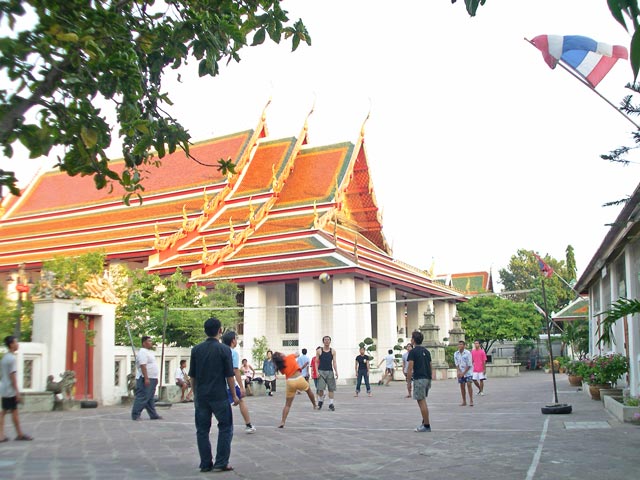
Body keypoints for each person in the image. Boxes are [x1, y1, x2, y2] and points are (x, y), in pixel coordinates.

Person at [189, 317, 238, 473]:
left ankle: (205, 463)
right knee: (225, 427)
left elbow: (193, 376)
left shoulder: (196, 350)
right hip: (219, 395)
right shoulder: (224, 350)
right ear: (220, 331)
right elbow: (229, 375)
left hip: (202, 395)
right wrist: (234, 395)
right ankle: (221, 461)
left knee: (202, 430)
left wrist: (195, 393)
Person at [221, 331, 256, 433]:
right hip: (229, 383)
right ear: (233, 341)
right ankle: (248, 425)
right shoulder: (233, 353)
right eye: (236, 339)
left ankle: (209, 427)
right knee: (241, 400)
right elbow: (235, 370)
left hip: (218, 383)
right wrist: (241, 386)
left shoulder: (219, 350)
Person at [0, 336, 33, 442]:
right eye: (15, 342)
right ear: (11, 345)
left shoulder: (5, 358)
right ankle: (18, 434)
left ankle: (4, 435)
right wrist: (17, 391)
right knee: (13, 411)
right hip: (10, 389)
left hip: (4, 387)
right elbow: (12, 376)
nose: (17, 344)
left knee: (4, 412)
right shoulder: (12, 359)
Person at [272, 352, 316, 428]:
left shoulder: (280, 366)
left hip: (290, 382)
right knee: (309, 391)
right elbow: (297, 354)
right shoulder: (289, 356)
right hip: (299, 379)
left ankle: (283, 422)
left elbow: (283, 372)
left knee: (287, 404)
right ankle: (315, 405)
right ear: (281, 355)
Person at [131, 336, 162, 421]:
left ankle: (153, 414)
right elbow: (143, 365)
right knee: (143, 396)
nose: (151, 342)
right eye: (149, 341)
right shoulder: (142, 352)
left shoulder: (150, 352)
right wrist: (146, 378)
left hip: (153, 377)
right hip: (145, 377)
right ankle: (136, 414)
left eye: (151, 341)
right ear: (144, 343)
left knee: (150, 397)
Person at [406, 330, 432, 432]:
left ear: (413, 340)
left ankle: (426, 425)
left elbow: (410, 368)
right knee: (423, 400)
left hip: (419, 378)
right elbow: (430, 366)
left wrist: (408, 382)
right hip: (427, 378)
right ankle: (424, 421)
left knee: (421, 401)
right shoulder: (426, 351)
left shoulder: (413, 352)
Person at [316, 336, 338, 411]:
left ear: (330, 341)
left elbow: (334, 362)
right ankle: (320, 401)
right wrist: (316, 371)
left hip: (330, 371)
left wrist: (336, 371)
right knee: (320, 389)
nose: (327, 341)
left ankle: (331, 404)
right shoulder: (319, 351)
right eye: (325, 340)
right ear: (323, 341)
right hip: (321, 371)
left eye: (328, 340)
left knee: (331, 389)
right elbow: (316, 362)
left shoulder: (333, 351)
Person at [454, 340, 474, 407]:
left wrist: (464, 373)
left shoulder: (468, 353)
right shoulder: (456, 354)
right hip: (461, 371)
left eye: (461, 344)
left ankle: (471, 400)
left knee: (469, 384)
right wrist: (459, 371)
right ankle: (464, 401)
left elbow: (469, 364)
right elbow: (457, 364)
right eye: (459, 344)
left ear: (464, 345)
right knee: (462, 386)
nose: (460, 346)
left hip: (468, 372)